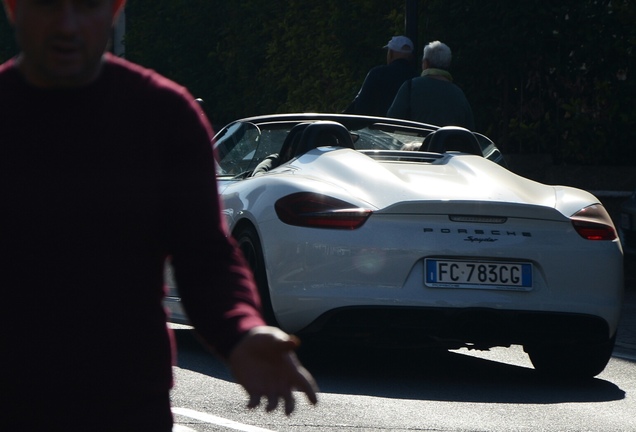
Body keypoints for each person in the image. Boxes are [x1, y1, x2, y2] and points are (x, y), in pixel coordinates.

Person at [0, 0, 317, 430]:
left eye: (86, 6)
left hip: (123, 403)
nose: (67, 25)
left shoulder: (165, 115)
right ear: (14, 8)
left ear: (114, 9)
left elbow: (203, 254)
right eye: (49, 6)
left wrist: (242, 331)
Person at [387, 40, 475, 130]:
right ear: (448, 64)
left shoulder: (410, 86)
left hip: (415, 143)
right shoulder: (458, 94)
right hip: (447, 143)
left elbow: (392, 121)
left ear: (426, 63)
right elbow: (469, 129)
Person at [345, 35, 415, 116]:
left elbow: (361, 105)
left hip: (378, 125)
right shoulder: (416, 77)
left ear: (391, 53)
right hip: (408, 127)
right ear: (411, 56)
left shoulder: (377, 73)